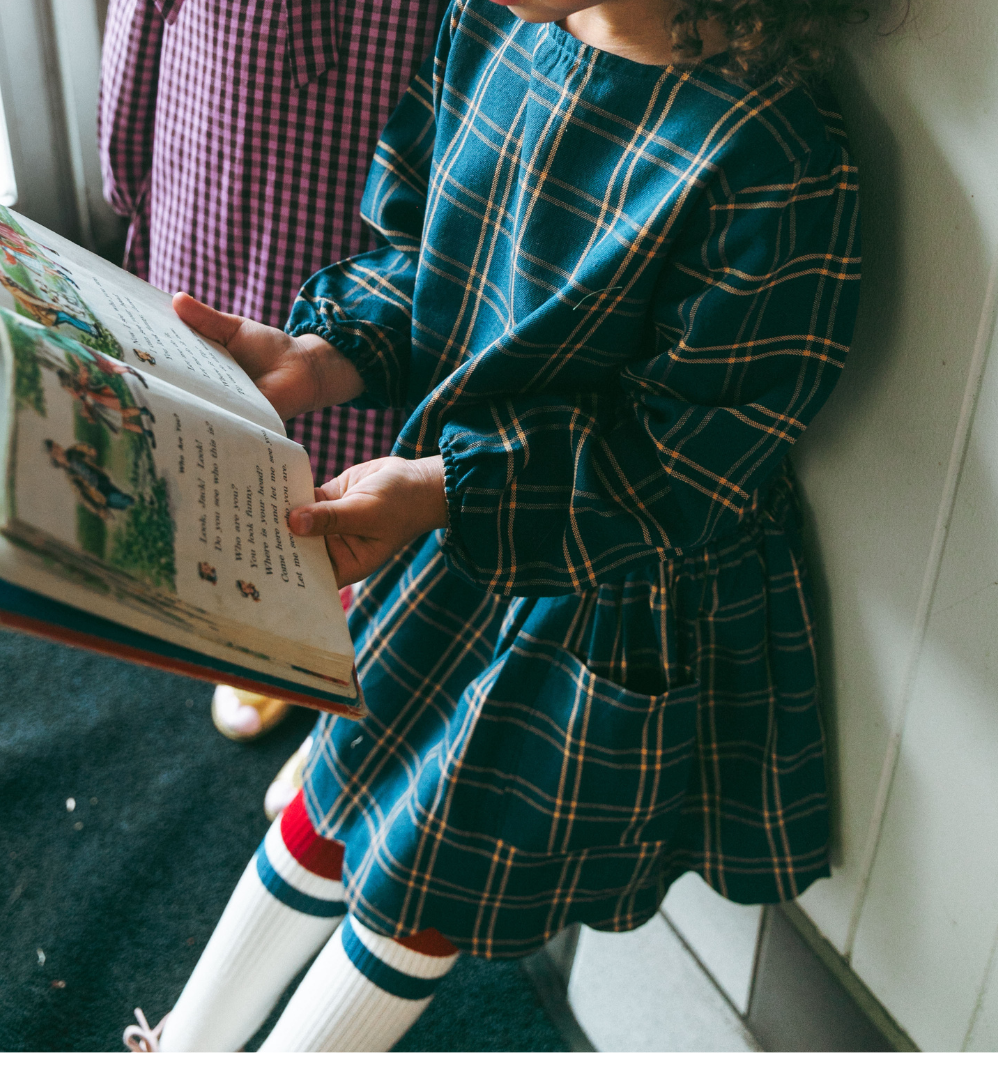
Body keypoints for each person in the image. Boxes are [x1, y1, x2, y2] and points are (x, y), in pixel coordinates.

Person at [122, 0, 863, 1052]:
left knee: (432, 868)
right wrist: (322, 355)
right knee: (341, 782)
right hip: (453, 534)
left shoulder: (772, 156)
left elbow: (688, 470)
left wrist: (439, 493)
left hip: (601, 594)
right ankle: (182, 1053)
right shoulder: (489, 24)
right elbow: (422, 256)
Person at [98, 0, 443, 745]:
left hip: (386, 200)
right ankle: (253, 607)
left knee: (360, 445)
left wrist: (123, 182)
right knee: (226, 401)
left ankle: (341, 631)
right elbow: (137, 33)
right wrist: (128, 184)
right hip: (221, 147)